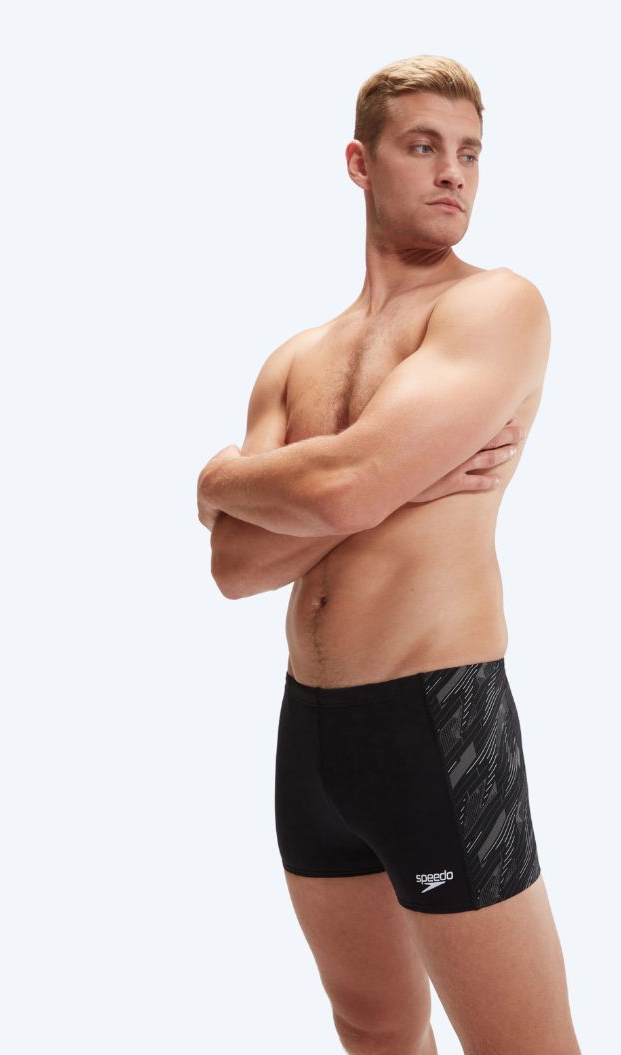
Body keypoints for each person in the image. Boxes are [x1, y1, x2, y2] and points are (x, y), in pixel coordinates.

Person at [197, 54, 581, 1055]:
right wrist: (239, 486)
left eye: (470, 152)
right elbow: (236, 566)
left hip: (437, 718)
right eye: (423, 146)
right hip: (314, 731)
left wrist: (240, 478)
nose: (453, 171)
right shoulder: (296, 358)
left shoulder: (494, 306)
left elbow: (343, 487)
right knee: (372, 1026)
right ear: (360, 163)